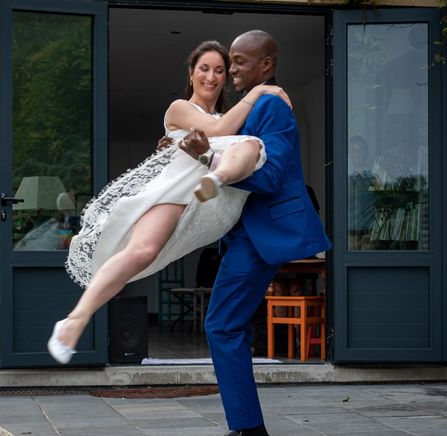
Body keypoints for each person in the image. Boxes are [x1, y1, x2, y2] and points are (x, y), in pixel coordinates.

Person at [48, 41, 290, 364]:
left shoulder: (231, 121)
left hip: (211, 199)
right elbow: (217, 128)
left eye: (219, 70)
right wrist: (260, 92)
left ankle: (217, 176)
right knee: (142, 252)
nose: (211, 77)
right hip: (175, 193)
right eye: (204, 68)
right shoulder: (180, 108)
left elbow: (231, 132)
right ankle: (74, 320)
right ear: (191, 74)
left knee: (251, 145)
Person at [178, 30, 332, 436]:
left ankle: (251, 435)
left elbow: (271, 176)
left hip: (261, 237)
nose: (234, 69)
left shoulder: (271, 106)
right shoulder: (245, 110)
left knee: (221, 326)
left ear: (267, 65)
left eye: (242, 62)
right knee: (232, 327)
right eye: (233, 61)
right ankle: (243, 430)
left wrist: (209, 162)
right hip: (244, 235)